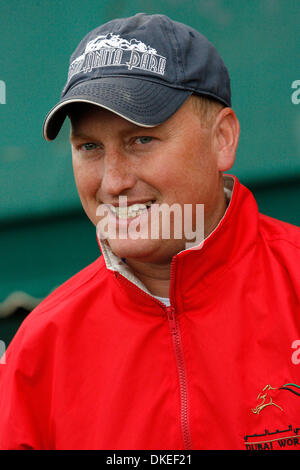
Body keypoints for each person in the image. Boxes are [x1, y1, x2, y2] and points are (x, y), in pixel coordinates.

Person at [0, 12, 300, 451]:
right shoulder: (40, 348)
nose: (113, 181)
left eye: (141, 139)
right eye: (89, 147)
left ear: (222, 139)